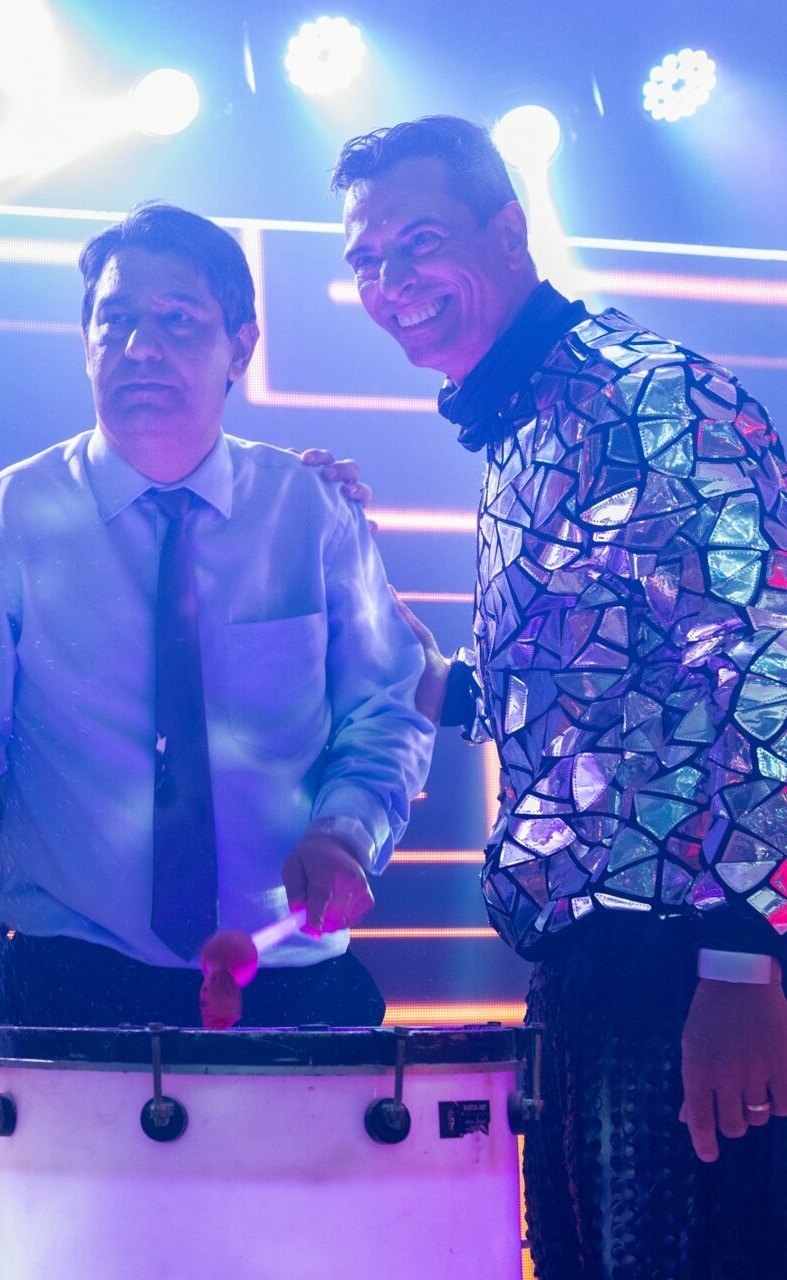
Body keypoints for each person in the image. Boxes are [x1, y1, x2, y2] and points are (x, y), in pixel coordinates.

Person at [334, 114, 787, 1276]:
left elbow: (761, 661)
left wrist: (745, 957)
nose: (391, 283)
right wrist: (414, 661)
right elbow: (603, 697)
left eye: (418, 242)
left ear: (509, 230)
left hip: (687, 962)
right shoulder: (527, 425)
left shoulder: (647, 397)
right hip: (592, 976)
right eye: (367, 259)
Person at [0, 202, 434, 1030]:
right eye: (116, 321)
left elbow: (387, 708)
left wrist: (347, 833)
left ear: (241, 348)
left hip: (292, 976)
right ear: (84, 341)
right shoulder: (5, 519)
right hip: (72, 982)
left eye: (178, 320)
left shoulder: (312, 512)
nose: (141, 347)